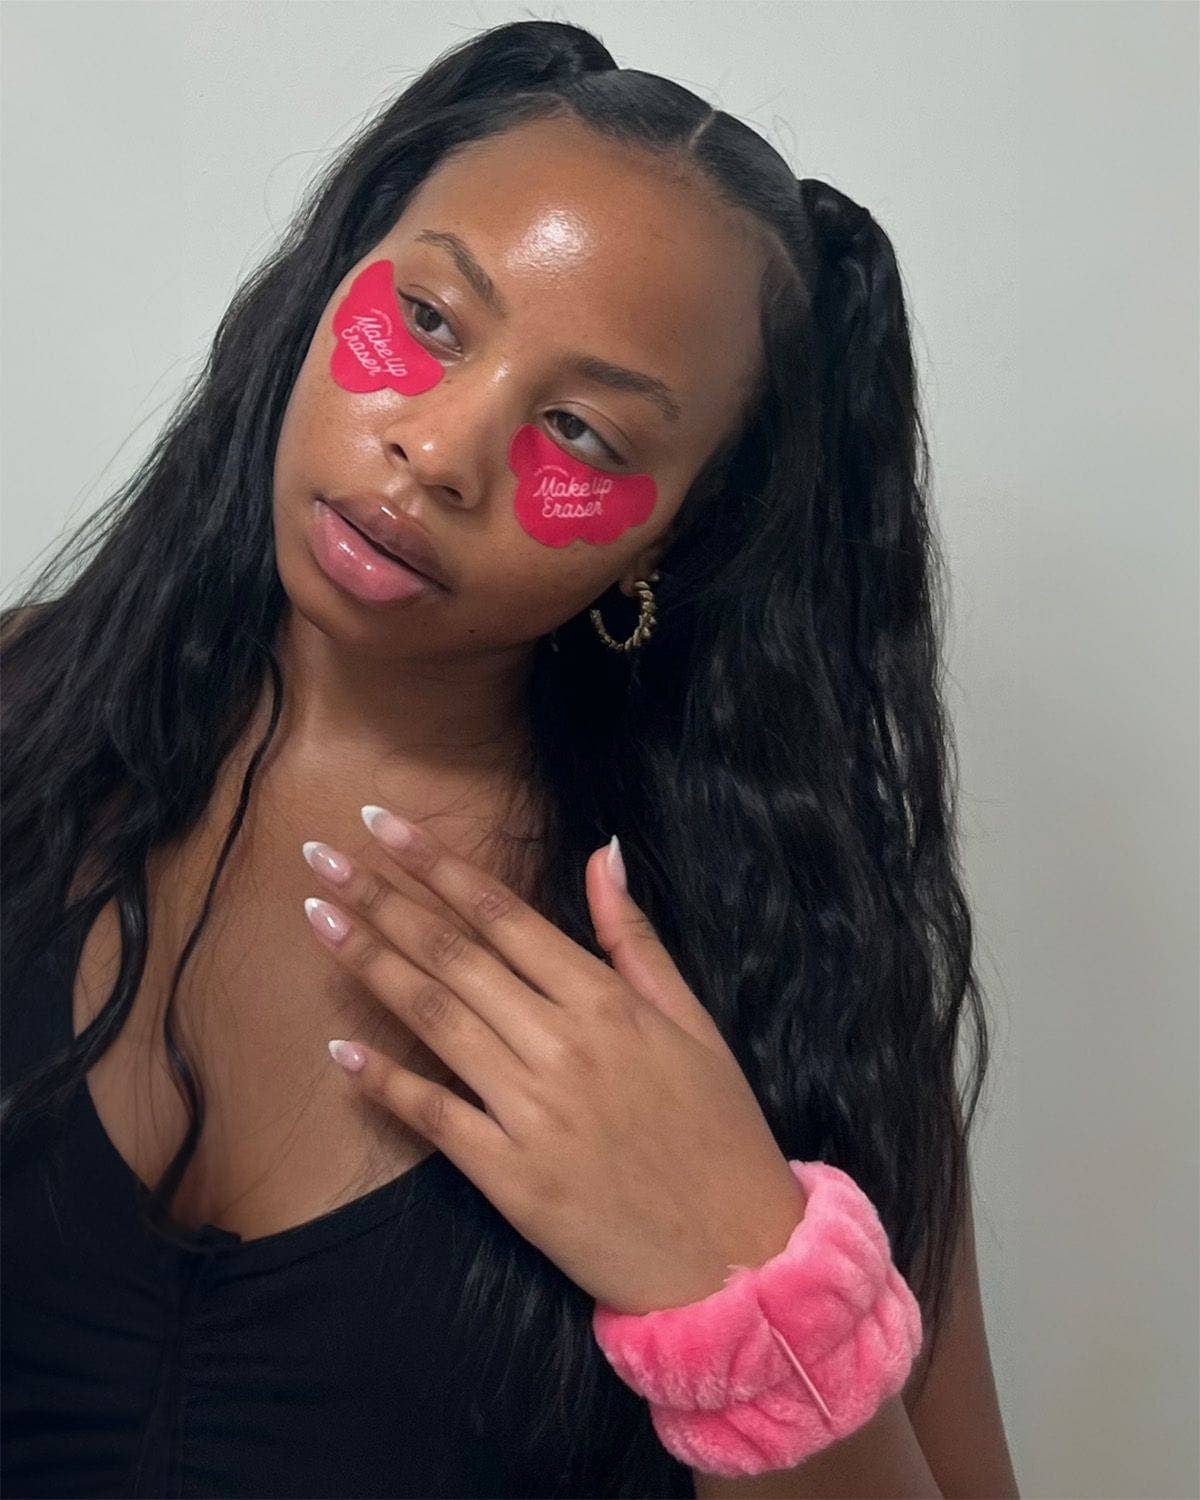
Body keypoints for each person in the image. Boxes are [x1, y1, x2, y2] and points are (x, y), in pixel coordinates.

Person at [0, 18, 1019, 1500]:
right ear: (326, 285)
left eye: (583, 434)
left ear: (677, 537)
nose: (437, 450)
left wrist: (738, 1279)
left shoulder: (782, 967)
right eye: (426, 319)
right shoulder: (18, 713)